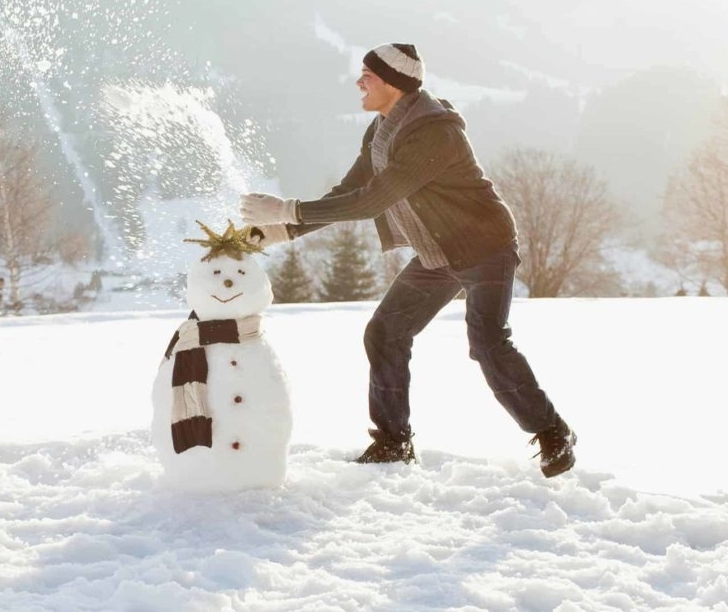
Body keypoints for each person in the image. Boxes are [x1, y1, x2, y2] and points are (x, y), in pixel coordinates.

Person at [239, 43, 576, 478]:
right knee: (385, 333)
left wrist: (288, 209)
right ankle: (393, 443)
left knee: (487, 342)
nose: (358, 82)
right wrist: (287, 230)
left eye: (368, 75)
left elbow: (375, 199)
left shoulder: (434, 132)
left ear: (394, 84)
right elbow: (349, 192)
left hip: (485, 248)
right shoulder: (380, 130)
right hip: (437, 253)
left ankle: (553, 432)